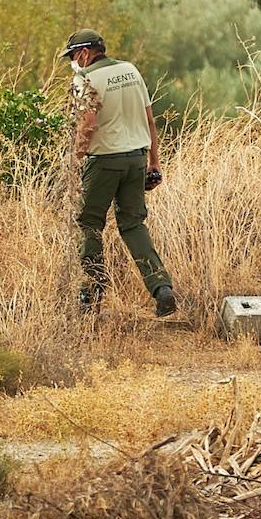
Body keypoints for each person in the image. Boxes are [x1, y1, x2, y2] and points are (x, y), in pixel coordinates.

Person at [61, 28, 177, 317]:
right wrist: (155, 162)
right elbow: (150, 119)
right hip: (137, 159)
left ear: (85, 53)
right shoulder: (131, 70)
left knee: (87, 224)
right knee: (133, 225)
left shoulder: (84, 79)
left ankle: (91, 293)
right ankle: (161, 287)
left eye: (74, 56)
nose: (73, 62)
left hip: (103, 162)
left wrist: (74, 164)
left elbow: (87, 124)